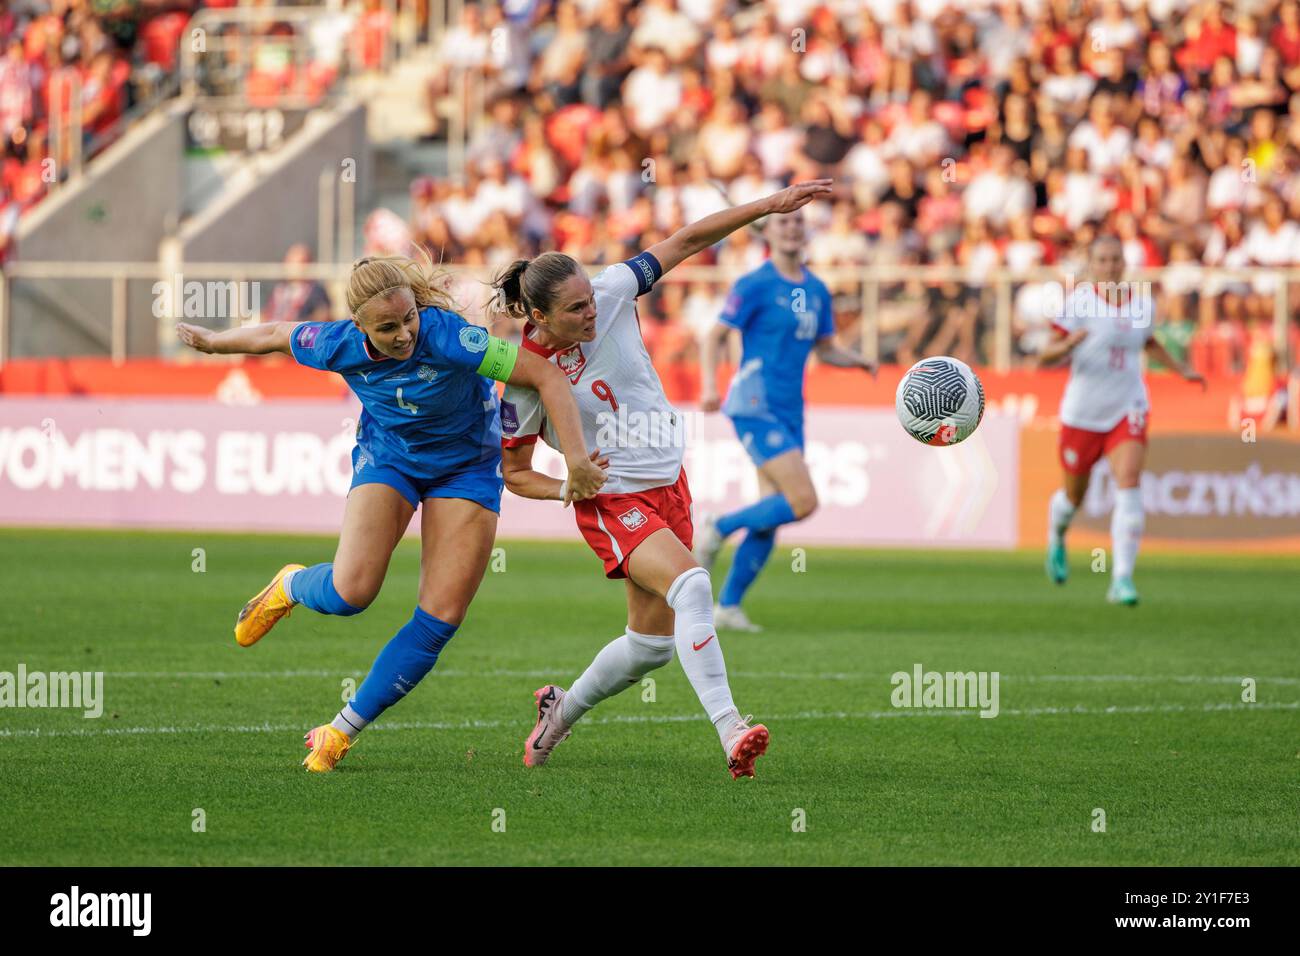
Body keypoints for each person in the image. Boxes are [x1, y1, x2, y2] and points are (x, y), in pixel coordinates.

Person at [175, 252, 606, 771]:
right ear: (359, 327)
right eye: (387, 328)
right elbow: (275, 334)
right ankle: (291, 585)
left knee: (440, 617)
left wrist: (576, 463)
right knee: (349, 593)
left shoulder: (449, 337)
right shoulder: (336, 344)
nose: (404, 334)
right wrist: (213, 342)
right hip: (390, 460)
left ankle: (340, 731)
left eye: (408, 318)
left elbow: (545, 377)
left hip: (467, 468)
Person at [494, 180, 835, 779]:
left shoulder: (613, 290)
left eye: (590, 300)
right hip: (613, 500)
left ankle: (558, 711)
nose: (592, 312)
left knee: (650, 647)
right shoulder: (525, 377)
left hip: (668, 483)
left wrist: (767, 205)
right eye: (576, 310)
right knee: (695, 587)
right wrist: (568, 485)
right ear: (540, 316)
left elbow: (687, 239)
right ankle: (732, 731)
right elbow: (515, 473)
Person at [693, 209, 875, 632]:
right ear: (767, 232)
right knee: (803, 501)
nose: (792, 228)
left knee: (773, 512)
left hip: (791, 409)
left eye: (797, 223)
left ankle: (728, 606)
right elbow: (715, 335)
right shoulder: (755, 284)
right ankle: (717, 526)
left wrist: (857, 361)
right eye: (783, 222)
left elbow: (825, 348)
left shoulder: (816, 290)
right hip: (755, 403)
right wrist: (708, 385)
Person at [1039, 235, 1204, 605]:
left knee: (1128, 481)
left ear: (1123, 265)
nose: (1110, 266)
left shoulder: (1142, 304)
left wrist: (1181, 370)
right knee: (1073, 496)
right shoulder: (1079, 303)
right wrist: (1065, 348)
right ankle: (1057, 535)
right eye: (1103, 260)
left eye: (1116, 260)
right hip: (1082, 413)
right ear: (1093, 265)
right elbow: (1043, 357)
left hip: (1128, 406)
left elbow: (1148, 342)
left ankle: (1121, 579)